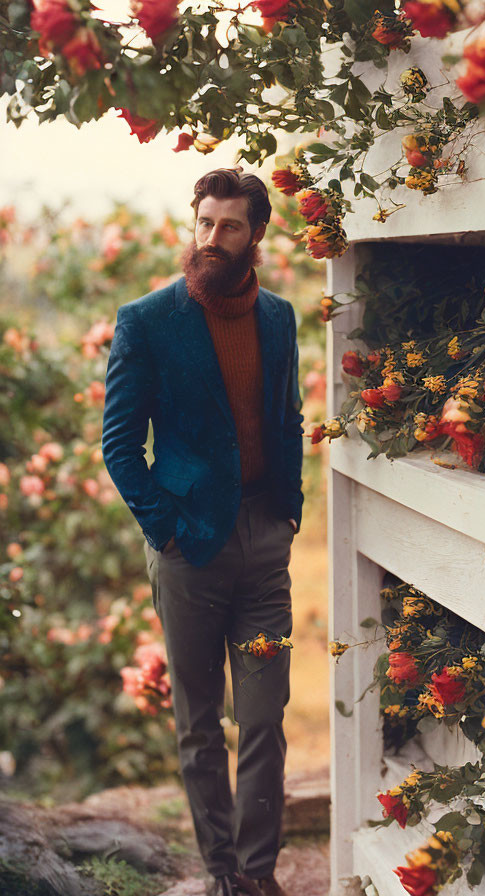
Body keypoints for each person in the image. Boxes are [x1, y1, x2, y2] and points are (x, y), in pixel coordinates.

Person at [101, 168, 304, 896]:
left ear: (256, 235)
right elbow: (119, 446)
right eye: (204, 223)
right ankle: (221, 871)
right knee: (199, 724)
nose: (212, 238)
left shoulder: (278, 317)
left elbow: (289, 418)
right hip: (189, 552)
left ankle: (259, 873)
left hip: (264, 548)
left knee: (262, 717)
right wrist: (167, 532)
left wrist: (289, 511)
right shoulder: (148, 321)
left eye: (229, 226)